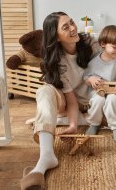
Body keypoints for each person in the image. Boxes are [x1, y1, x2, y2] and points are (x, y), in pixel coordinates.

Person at [20, 11, 98, 190]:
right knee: (44, 92)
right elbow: (70, 100)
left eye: (72, 22)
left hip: (94, 102)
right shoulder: (57, 60)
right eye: (66, 27)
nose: (73, 28)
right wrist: (73, 126)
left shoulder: (90, 43)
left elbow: (109, 67)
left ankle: (50, 121)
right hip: (69, 104)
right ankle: (46, 156)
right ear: (56, 37)